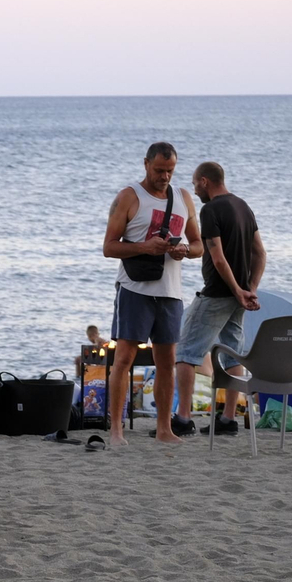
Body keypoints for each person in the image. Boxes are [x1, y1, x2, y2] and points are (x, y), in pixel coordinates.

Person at [100, 142, 202, 445]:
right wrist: (145, 247)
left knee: (167, 361)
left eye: (170, 171)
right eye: (159, 170)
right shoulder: (129, 197)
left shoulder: (183, 198)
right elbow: (109, 247)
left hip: (170, 292)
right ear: (146, 164)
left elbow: (199, 245)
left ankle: (163, 429)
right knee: (124, 359)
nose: (165, 176)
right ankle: (116, 430)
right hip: (135, 289)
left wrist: (184, 249)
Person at [174, 162, 265, 437]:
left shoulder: (210, 209)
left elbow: (217, 256)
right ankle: (227, 420)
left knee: (186, 353)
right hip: (238, 298)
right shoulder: (243, 206)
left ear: (204, 181)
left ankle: (182, 418)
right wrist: (250, 288)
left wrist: (238, 290)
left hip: (217, 293)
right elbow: (260, 253)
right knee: (232, 352)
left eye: (194, 184)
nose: (194, 189)